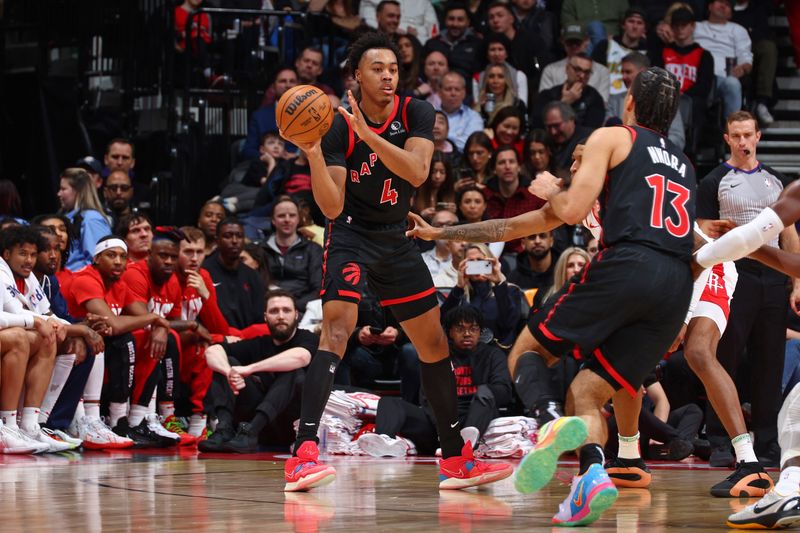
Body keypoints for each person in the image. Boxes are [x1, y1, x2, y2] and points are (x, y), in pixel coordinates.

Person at [409, 66, 694, 526]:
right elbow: (513, 226)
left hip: (629, 266)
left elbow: (569, 209)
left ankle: (546, 419)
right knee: (588, 389)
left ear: (629, 105)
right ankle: (592, 474)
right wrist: (444, 230)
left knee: (525, 349)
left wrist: (557, 190)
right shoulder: (683, 164)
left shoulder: (614, 137)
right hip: (675, 285)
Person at [279, 31, 513, 492]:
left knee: (433, 343)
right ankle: (302, 454)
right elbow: (329, 207)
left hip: (395, 236)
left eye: (393, 68)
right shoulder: (336, 125)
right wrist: (312, 155)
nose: (388, 75)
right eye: (377, 69)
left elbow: (418, 171)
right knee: (337, 330)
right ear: (357, 76)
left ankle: (453, 460)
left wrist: (372, 137)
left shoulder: (416, 111)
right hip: (349, 233)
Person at [692, 111, 799, 473]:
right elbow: (702, 230)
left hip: (773, 275)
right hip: (732, 272)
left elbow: (789, 234)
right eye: (735, 136)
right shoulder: (713, 181)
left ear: (758, 136)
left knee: (771, 361)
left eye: (747, 135)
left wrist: (796, 281)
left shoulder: (776, 180)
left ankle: (767, 442)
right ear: (726, 139)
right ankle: (720, 440)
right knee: (724, 356)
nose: (742, 142)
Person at [356, 306, 512, 457]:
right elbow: (426, 396)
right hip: (439, 422)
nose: (467, 334)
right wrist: (444, 433)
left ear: (480, 332)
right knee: (389, 402)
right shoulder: (438, 354)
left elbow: (504, 391)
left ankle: (464, 445)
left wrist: (484, 391)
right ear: (449, 332)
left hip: (475, 418)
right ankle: (384, 442)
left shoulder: (493, 355)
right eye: (460, 329)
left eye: (473, 329)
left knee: (486, 392)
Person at [201, 289, 318, 453]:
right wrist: (230, 372)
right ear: (265, 317)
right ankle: (224, 430)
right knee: (228, 362)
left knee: (294, 371)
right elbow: (212, 351)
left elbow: (301, 357)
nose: (281, 316)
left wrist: (249, 369)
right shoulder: (259, 343)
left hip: (292, 425)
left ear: (296, 315)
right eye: (274, 311)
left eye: (286, 310)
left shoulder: (308, 338)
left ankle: (251, 432)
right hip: (259, 425)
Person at [440, 243, 522, 348]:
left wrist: (499, 284)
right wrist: (459, 287)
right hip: (465, 353)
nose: (476, 265)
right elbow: (443, 323)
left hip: (498, 351)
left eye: (480, 260)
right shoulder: (460, 295)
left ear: (490, 262)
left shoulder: (510, 290)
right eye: (470, 262)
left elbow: (509, 323)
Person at [693, 0, 752, 120]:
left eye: (728, 5)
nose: (723, 6)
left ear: (731, 13)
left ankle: (733, 131)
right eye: (720, 2)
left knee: (733, 83)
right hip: (696, 76)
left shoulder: (738, 30)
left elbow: (746, 57)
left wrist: (743, 68)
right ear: (709, 6)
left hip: (723, 78)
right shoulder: (695, 27)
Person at [203, 218, 265, 330]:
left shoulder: (253, 276)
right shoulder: (204, 272)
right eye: (228, 236)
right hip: (216, 337)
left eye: (239, 236)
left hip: (248, 339)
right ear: (217, 240)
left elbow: (260, 318)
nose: (235, 240)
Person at [263, 196, 323, 313]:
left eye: (292, 215)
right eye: (281, 216)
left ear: (298, 219)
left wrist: (291, 306)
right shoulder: (260, 249)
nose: (287, 220)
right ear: (273, 220)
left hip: (302, 309)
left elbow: (318, 289)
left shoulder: (313, 250)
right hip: (268, 308)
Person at [531, 52, 605, 130]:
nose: (582, 76)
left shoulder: (595, 98)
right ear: (567, 69)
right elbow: (538, 125)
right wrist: (564, 103)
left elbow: (591, 130)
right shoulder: (548, 95)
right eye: (577, 69)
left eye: (587, 72)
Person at [57, 168, 112, 270]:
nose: (59, 194)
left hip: (80, 282)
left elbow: (97, 261)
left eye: (63, 189)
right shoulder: (68, 217)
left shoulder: (91, 219)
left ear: (78, 191)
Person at [243, 67, 299, 161]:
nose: (288, 85)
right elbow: (248, 150)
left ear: (298, 85)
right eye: (282, 81)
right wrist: (269, 158)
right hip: (266, 167)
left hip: (298, 168)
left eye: (292, 81)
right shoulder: (259, 116)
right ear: (273, 86)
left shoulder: (308, 115)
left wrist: (297, 157)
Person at [439, 71, 485, 152]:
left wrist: (439, 140)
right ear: (439, 92)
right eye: (448, 89)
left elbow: (471, 144)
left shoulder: (474, 117)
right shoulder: (429, 114)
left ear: (464, 93)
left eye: (457, 89)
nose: (453, 93)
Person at [412, 151, 457, 220]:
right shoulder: (415, 191)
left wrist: (452, 214)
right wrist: (421, 215)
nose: (437, 176)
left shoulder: (452, 193)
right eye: (434, 171)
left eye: (442, 172)